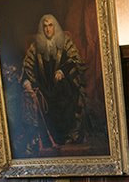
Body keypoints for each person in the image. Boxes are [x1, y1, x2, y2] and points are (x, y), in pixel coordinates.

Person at [21, 13, 86, 149]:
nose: (48, 29)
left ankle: (67, 134)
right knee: (43, 99)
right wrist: (27, 81)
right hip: (44, 88)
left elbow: (75, 59)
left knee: (66, 93)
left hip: (62, 86)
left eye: (50, 25)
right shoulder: (35, 47)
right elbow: (27, 67)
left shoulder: (65, 41)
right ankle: (51, 137)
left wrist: (63, 70)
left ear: (55, 27)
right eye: (45, 26)